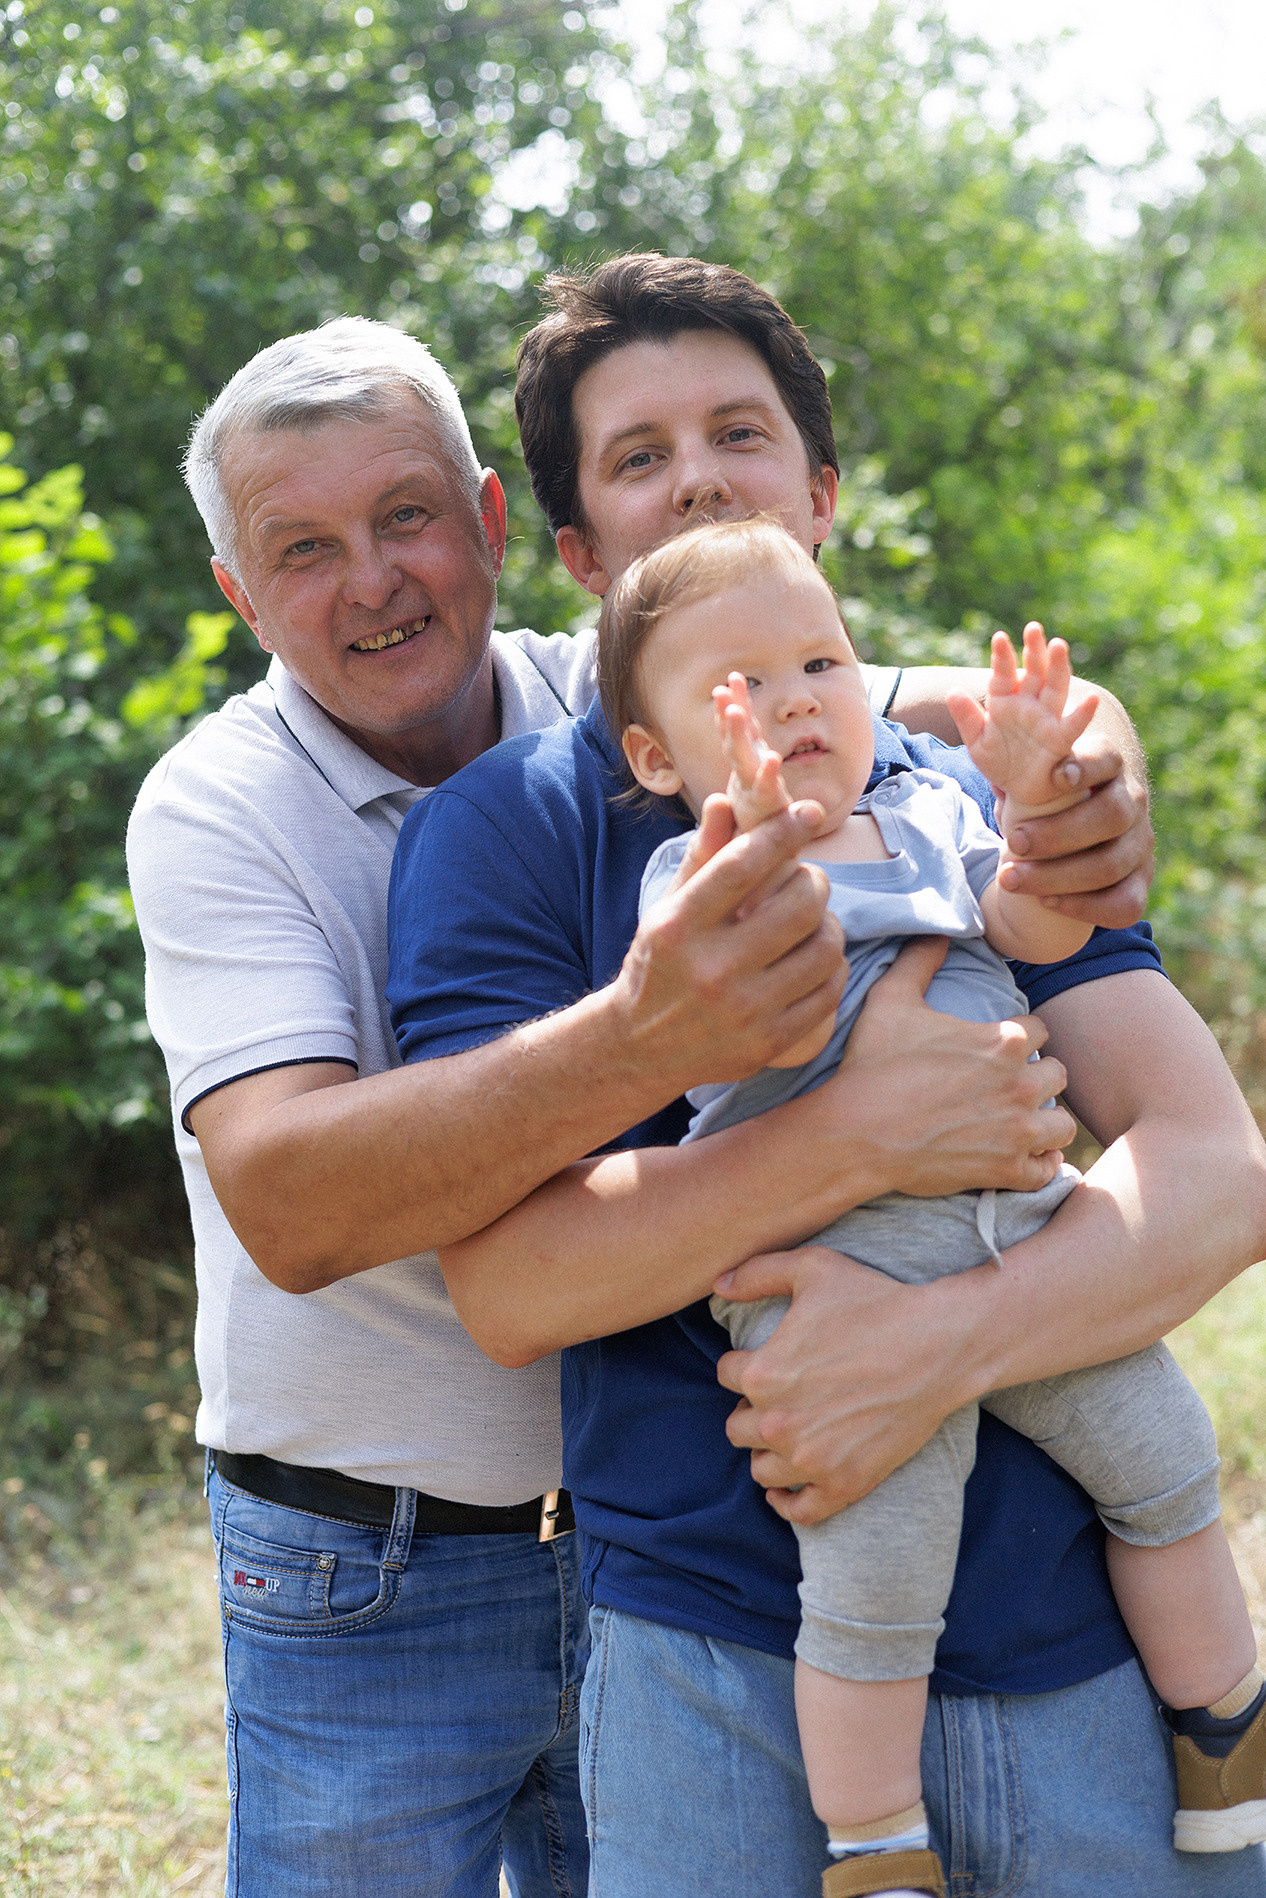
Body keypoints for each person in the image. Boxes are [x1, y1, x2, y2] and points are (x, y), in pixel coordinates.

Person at [126, 306, 1153, 1895]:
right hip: (373, 1555)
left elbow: (898, 693)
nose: (375, 579)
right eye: (305, 549)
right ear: (241, 596)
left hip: (659, 1529)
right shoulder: (220, 805)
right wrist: (657, 1038)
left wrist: (1089, 744)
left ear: (487, 525)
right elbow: (291, 1203)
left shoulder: (634, 686)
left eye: (406, 518)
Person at [387, 253, 1266, 1896]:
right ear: (577, 553)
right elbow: (516, 1281)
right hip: (719, 1655)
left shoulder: (951, 787)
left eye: (738, 431)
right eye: (637, 456)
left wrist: (928, 1343)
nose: (700, 474)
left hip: (1079, 1643)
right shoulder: (501, 833)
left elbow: (1216, 1176)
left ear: (820, 496)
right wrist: (859, 1131)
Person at [611, 515, 1266, 1892]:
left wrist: (1027, 817)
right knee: (875, 1579)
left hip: (1021, 1238)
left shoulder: (926, 814)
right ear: (657, 758)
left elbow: (1030, 931)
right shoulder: (691, 886)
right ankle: (875, 1843)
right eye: (739, 690)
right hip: (846, 1284)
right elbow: (747, 1038)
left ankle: (1222, 1730)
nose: (793, 701)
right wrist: (759, 835)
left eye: (820, 662)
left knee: (1162, 1457)